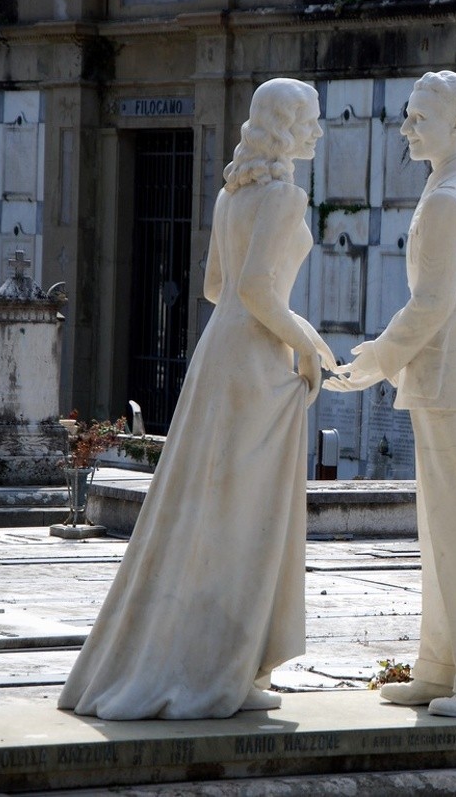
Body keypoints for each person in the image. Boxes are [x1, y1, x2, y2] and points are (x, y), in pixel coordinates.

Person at [58, 78, 335, 719]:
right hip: (258, 363)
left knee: (208, 512)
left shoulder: (230, 196)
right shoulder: (285, 198)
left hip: (219, 353)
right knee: (243, 522)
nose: (317, 133)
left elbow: (216, 288)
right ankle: (222, 668)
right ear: (287, 127)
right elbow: (265, 295)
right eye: (311, 122)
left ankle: (207, 657)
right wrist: (309, 342)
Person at [324, 71, 456, 718]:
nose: (407, 128)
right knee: (442, 530)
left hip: (451, 369)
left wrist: (379, 357)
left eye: (419, 119)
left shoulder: (451, 197)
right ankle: (444, 666)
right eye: (408, 117)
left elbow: (432, 303)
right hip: (454, 371)